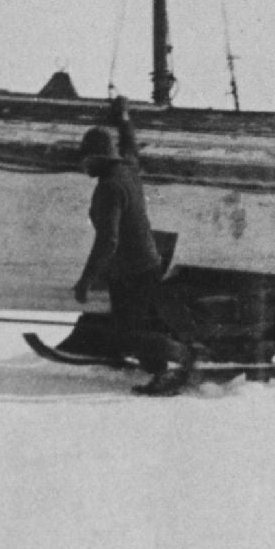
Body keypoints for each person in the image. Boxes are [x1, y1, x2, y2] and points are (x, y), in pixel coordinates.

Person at [69, 100, 197, 394]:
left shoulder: (109, 187)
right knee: (138, 324)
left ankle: (181, 359)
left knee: (131, 332)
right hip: (147, 262)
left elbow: (108, 240)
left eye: (87, 160)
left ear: (100, 158)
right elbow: (131, 147)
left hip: (130, 269)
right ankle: (169, 364)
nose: (84, 165)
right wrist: (124, 119)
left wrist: (86, 281)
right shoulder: (128, 169)